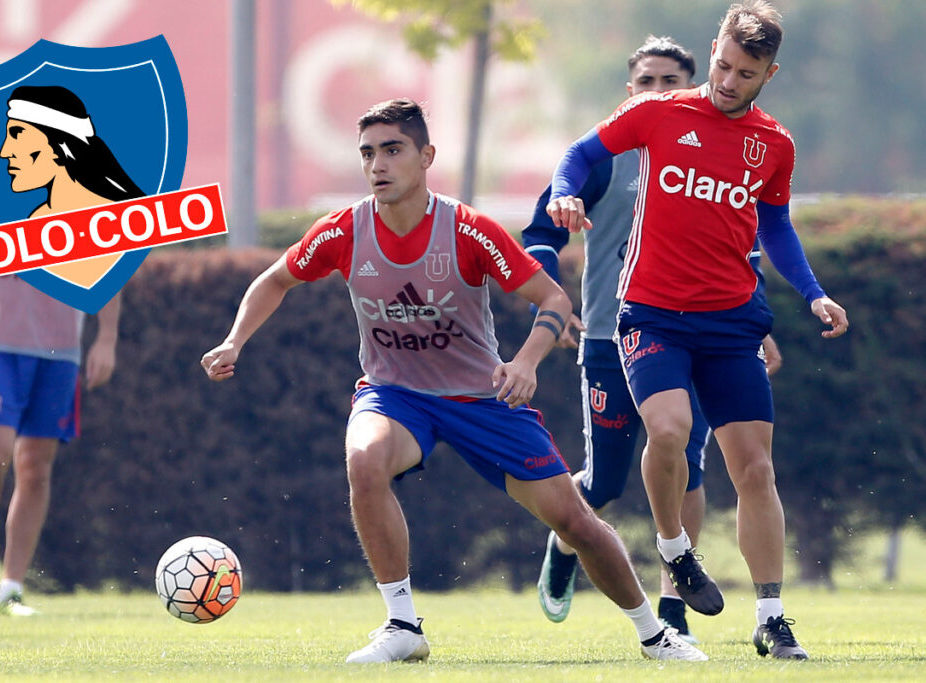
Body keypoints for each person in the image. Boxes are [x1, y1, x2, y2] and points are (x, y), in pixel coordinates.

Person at [201, 98, 707, 663]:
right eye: (368, 153)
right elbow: (274, 281)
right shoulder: (343, 230)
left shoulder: (468, 229)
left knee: (576, 522)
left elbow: (553, 298)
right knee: (364, 459)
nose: (378, 165)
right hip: (394, 395)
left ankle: (654, 634)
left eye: (392, 150)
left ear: (425, 157)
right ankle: (402, 624)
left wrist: (525, 362)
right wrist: (234, 340)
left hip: (483, 400)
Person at [545, 0, 850, 660]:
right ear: (713, 48)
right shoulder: (660, 112)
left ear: (771, 72)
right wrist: (565, 193)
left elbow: (775, 226)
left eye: (746, 72)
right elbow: (578, 155)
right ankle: (675, 550)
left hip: (732, 323)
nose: (727, 81)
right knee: (671, 430)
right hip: (651, 313)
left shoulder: (774, 144)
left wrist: (814, 293)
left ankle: (770, 615)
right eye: (722, 64)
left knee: (756, 469)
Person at [525, 35, 782, 643]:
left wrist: (759, 326)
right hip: (611, 336)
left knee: (687, 462)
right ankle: (568, 540)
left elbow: (742, 246)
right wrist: (554, 307)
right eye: (648, 83)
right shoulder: (607, 158)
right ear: (629, 93)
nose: (660, 93)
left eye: (672, 82)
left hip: (689, 332)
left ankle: (673, 614)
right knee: (606, 482)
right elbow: (541, 231)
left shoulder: (717, 151)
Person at [0, 84, 136, 616]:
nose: (7, 146)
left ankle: (11, 589)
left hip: (59, 349)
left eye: (19, 134)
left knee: (36, 468)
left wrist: (106, 339)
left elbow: (109, 272)